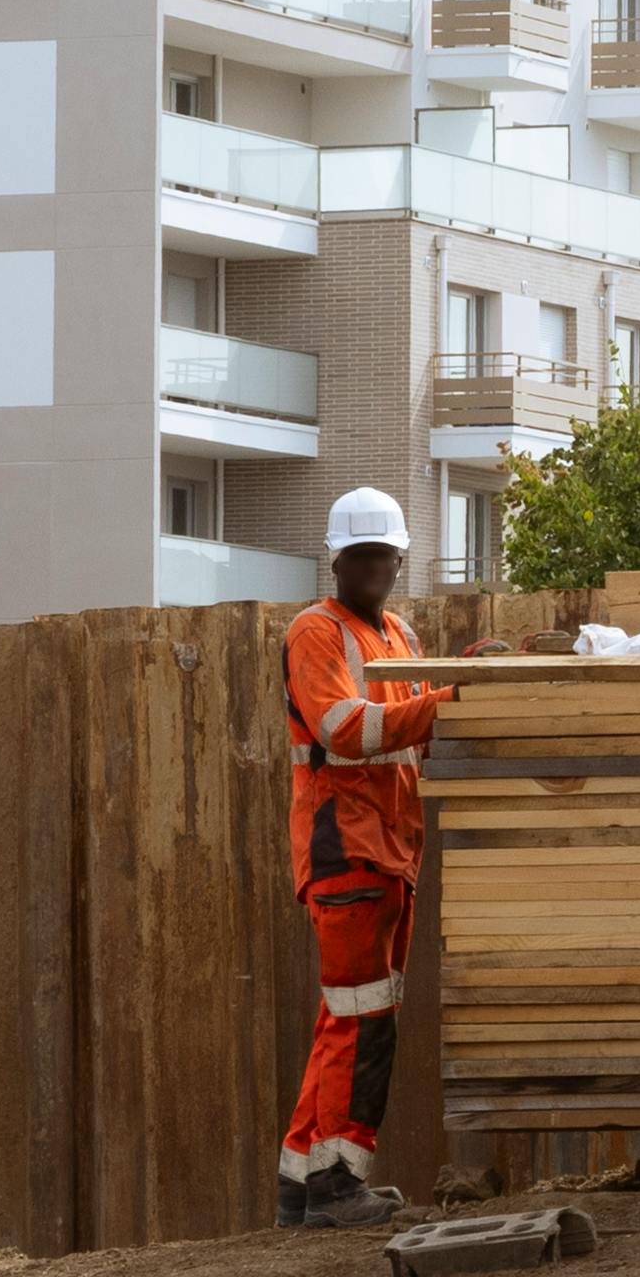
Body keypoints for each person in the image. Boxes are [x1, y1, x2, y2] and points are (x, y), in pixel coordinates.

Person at [277, 485, 451, 1228]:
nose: (376, 566)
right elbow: (346, 726)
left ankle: (299, 1179)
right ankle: (338, 1181)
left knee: (346, 1015)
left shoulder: (401, 634)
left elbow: (413, 725)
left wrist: (466, 689)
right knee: (361, 1018)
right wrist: (449, 699)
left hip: (391, 847)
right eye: (363, 555)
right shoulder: (316, 631)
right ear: (338, 558)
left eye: (386, 554)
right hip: (345, 844)